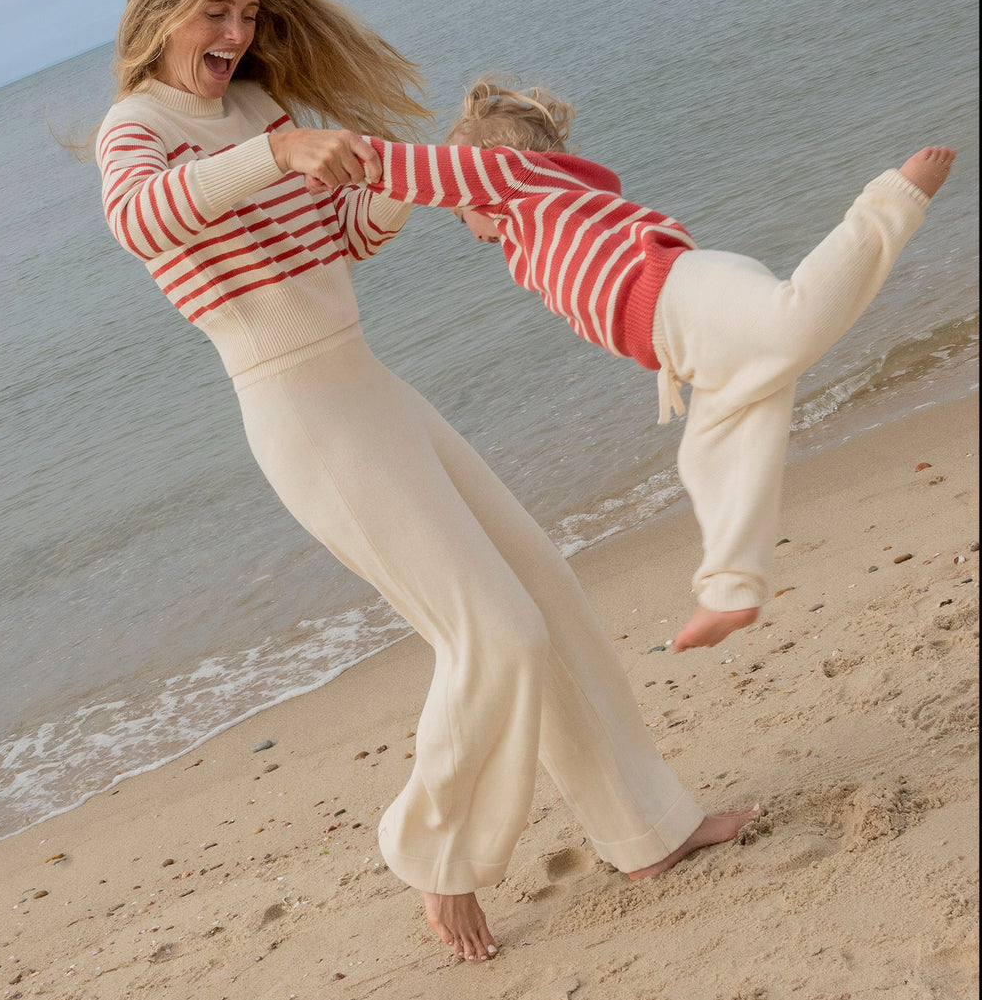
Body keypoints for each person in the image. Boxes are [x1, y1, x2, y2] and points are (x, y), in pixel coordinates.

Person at [96, 0, 754, 965]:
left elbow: (349, 230)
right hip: (303, 412)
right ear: (161, 12)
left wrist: (451, 171)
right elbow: (142, 218)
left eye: (249, 14)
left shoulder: (258, 109)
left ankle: (649, 830)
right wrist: (277, 150)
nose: (235, 31)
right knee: (493, 631)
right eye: (216, 11)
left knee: (546, 591)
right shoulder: (135, 129)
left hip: (373, 388)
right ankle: (433, 850)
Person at [341, 79, 955, 653]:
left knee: (792, 322)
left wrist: (337, 162)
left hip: (687, 297)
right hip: (685, 342)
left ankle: (892, 201)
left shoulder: (514, 181)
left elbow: (422, 171)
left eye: (460, 214)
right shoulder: (537, 215)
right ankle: (731, 592)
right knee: (710, 455)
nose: (469, 231)